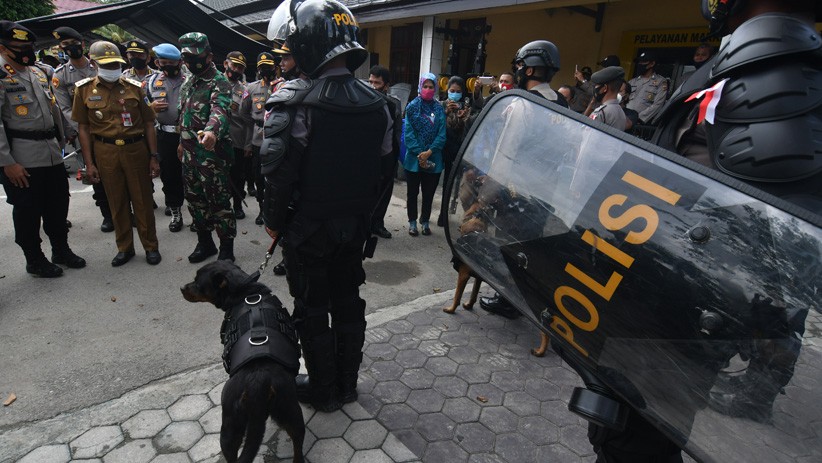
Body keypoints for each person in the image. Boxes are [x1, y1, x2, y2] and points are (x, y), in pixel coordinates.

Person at [262, 0, 391, 412]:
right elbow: (384, 177)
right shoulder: (380, 103)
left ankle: (323, 389)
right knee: (349, 303)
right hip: (354, 228)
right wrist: (370, 224)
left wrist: (274, 223)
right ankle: (347, 386)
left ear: (308, 45)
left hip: (308, 231)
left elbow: (278, 177)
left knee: (312, 309)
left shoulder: (295, 102)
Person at [480, 39, 567, 319]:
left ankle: (508, 300)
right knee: (530, 247)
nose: (516, 71)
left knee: (508, 244)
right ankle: (523, 298)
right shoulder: (562, 101)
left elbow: (506, 153)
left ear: (529, 70)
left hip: (516, 192)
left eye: (518, 66)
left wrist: (487, 193)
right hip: (545, 192)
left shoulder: (522, 104)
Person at [0, 20, 86, 277]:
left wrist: (68, 134)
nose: (25, 50)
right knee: (28, 211)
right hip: (22, 158)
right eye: (18, 47)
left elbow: (53, 108)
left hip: (51, 152)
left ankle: (61, 249)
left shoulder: (38, 72)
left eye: (28, 45)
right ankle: (34, 259)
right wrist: (7, 162)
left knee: (58, 205)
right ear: (3, 48)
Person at [73, 40, 161, 267]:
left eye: (115, 64)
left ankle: (150, 246)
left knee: (142, 200)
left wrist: (153, 156)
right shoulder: (83, 90)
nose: (112, 69)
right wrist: (89, 163)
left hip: (135, 149)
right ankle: (125, 247)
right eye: (107, 64)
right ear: (93, 64)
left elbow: (149, 122)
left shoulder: (134, 87)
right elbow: (83, 128)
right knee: (116, 201)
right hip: (106, 151)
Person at [177, 32, 236, 263]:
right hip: (189, 155)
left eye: (195, 57)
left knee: (219, 203)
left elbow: (220, 110)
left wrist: (212, 131)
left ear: (209, 56)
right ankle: (205, 243)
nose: (190, 62)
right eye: (186, 57)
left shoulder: (219, 81)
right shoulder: (188, 81)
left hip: (211, 156)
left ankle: (227, 250)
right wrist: (180, 143)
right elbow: (183, 116)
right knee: (194, 200)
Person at [51, 26, 114, 233]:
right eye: (65, 45)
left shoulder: (99, 68)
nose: (71, 48)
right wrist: (85, 129)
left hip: (112, 129)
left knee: (119, 171)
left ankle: (125, 210)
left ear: (82, 44)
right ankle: (107, 214)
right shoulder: (61, 76)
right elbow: (66, 109)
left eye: (73, 43)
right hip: (86, 135)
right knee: (96, 175)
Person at [145, 43, 187, 232]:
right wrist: (150, 108)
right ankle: (176, 212)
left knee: (192, 176)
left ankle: (198, 212)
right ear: (157, 62)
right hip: (165, 135)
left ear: (180, 62)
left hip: (188, 135)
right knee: (170, 177)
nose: (169, 65)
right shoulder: (150, 82)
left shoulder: (190, 80)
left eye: (173, 62)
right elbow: (142, 111)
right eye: (164, 62)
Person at [403, 72, 446, 237]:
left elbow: (442, 134)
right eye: (425, 86)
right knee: (412, 193)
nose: (428, 89)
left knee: (428, 194)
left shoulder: (439, 108)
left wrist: (429, 152)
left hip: (433, 157)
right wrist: (420, 153)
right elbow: (408, 134)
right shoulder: (412, 107)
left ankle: (425, 222)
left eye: (431, 86)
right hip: (414, 159)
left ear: (435, 88)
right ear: (420, 86)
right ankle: (412, 222)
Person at [240, 52, 278, 225]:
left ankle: (276, 209)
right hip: (258, 139)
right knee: (259, 176)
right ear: (257, 69)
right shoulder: (251, 88)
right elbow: (243, 112)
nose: (265, 71)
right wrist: (257, 124)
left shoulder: (284, 86)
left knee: (277, 176)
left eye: (268, 67)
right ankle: (262, 209)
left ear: (275, 68)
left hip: (278, 139)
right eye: (262, 68)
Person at [368, 64, 402, 239]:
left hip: (387, 155)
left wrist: (397, 154)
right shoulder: (362, 101)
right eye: (370, 82)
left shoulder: (394, 104)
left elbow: (398, 130)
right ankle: (364, 224)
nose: (373, 86)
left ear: (386, 85)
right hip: (368, 157)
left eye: (377, 83)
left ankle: (377, 224)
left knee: (384, 192)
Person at [438, 75, 472, 227]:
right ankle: (437, 214)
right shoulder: (440, 105)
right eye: (452, 90)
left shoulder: (465, 107)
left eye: (458, 91)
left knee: (451, 184)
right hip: (441, 149)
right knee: (436, 183)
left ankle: (445, 214)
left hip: (456, 152)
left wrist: (464, 119)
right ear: (447, 90)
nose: (455, 93)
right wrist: (445, 112)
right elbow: (437, 125)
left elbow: (466, 132)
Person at [224, 50, 248, 220]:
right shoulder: (214, 83)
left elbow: (248, 120)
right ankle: (222, 205)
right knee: (218, 175)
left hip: (237, 140)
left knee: (238, 176)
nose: (237, 70)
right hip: (216, 140)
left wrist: (247, 144)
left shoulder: (245, 91)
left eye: (240, 68)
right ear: (226, 64)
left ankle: (238, 206)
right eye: (235, 65)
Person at [626, 50, 668, 125]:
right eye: (639, 62)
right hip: (624, 119)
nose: (640, 64)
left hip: (641, 124)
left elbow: (658, 104)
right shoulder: (632, 82)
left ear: (652, 63)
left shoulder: (661, 82)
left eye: (643, 62)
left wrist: (638, 119)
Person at [589, 66, 628, 131]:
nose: (595, 88)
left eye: (597, 85)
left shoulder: (601, 112)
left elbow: (588, 137)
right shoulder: (621, 112)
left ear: (604, 88)